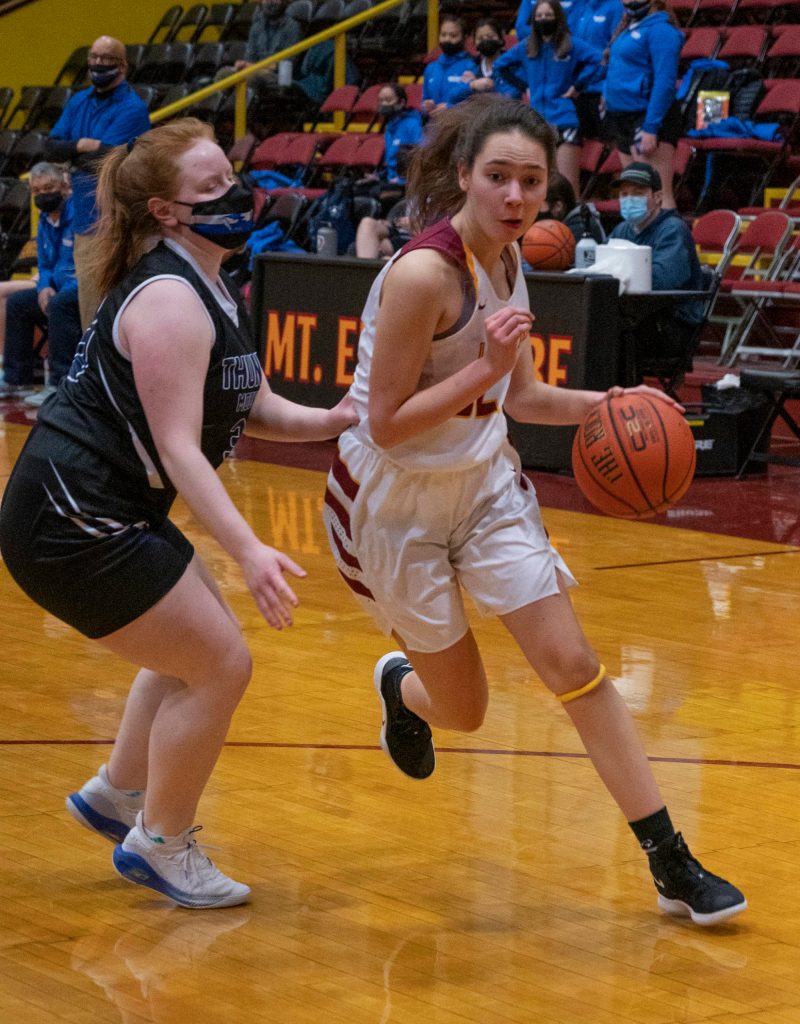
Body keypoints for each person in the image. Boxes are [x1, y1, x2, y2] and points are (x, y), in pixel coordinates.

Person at [322, 94, 746, 927]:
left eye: (531, 182)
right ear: (461, 178)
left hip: (483, 485)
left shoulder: (512, 260)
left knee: (576, 668)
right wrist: (486, 368)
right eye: (498, 179)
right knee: (468, 712)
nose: (516, 198)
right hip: (389, 502)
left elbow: (522, 396)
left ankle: (669, 858)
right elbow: (387, 422)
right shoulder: (422, 274)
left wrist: (612, 402)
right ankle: (401, 688)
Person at [0, 119, 356, 909]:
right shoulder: (169, 299)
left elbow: (248, 402)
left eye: (230, 177)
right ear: (166, 211)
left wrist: (335, 418)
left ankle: (117, 795)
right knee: (221, 662)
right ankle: (162, 843)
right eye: (211, 190)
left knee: (193, 644)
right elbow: (180, 450)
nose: (234, 195)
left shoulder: (208, 278)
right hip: (71, 517)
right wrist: (251, 547)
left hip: (99, 505)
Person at [45, 36, 151, 331]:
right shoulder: (79, 101)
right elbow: (52, 147)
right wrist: (84, 145)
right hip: (85, 220)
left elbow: (109, 160)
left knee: (117, 307)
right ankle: (92, 374)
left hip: (118, 222)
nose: (99, 64)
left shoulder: (133, 108)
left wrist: (78, 151)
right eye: (94, 57)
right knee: (88, 309)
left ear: (123, 66)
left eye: (107, 58)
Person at [494, 1, 605, 195]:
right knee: (537, 187)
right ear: (533, 20)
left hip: (565, 119)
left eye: (548, 15)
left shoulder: (571, 44)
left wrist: (578, 85)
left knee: (568, 189)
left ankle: (572, 225)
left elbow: (600, 61)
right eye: (539, 16)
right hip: (536, 122)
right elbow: (500, 66)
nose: (544, 20)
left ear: (558, 18)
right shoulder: (525, 47)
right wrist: (523, 86)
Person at [610, 162, 706, 381]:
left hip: (672, 327)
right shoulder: (621, 230)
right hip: (637, 319)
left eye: (638, 193)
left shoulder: (673, 229)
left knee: (611, 333)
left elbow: (662, 280)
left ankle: (622, 402)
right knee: (598, 325)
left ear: (658, 197)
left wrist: (618, 273)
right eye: (624, 194)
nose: (629, 199)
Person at [0, 163, 82, 404]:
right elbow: (45, 265)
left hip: (80, 290)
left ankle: (59, 384)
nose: (43, 195)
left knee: (59, 305)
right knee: (18, 304)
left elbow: (80, 269)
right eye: (36, 190)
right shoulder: (45, 221)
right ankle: (17, 380)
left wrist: (55, 293)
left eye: (49, 188)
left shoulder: (78, 215)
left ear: (65, 187)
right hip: (54, 289)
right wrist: (44, 286)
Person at [602, 0, 683, 208]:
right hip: (622, 116)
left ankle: (668, 239)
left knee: (657, 193)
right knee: (633, 194)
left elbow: (665, 82)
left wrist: (651, 126)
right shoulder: (628, 28)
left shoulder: (662, 31)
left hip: (648, 116)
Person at [422, 15, 476, 114]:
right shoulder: (431, 68)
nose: (447, 39)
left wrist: (450, 107)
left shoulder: (472, 65)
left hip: (461, 126)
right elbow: (425, 99)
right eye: (443, 35)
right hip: (435, 125)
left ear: (464, 38)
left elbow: (475, 102)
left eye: (453, 35)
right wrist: (427, 105)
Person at [460, 19, 516, 97]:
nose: (486, 40)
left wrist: (490, 88)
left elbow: (514, 94)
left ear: (500, 39)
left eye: (490, 36)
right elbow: (453, 97)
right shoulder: (471, 66)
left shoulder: (512, 65)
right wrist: (472, 85)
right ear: (475, 43)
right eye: (480, 39)